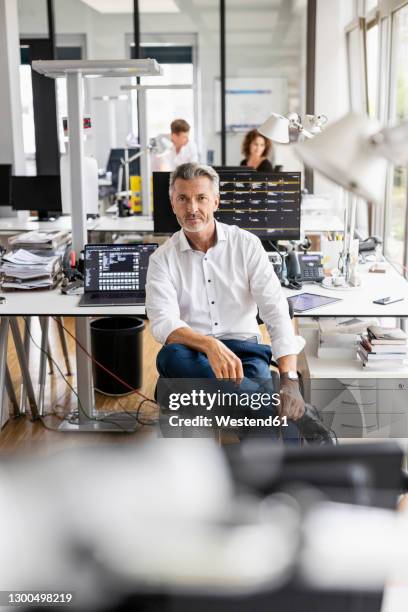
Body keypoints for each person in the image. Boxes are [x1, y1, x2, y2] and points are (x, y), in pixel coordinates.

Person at [146, 163, 305, 433]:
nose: (192, 208)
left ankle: (254, 410)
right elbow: (162, 322)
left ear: (216, 202)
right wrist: (209, 345)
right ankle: (268, 406)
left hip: (246, 354)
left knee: (261, 438)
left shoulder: (246, 244)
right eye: (182, 199)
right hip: (192, 354)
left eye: (201, 198)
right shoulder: (162, 259)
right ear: (172, 204)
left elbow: (276, 310)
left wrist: (290, 380)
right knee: (170, 356)